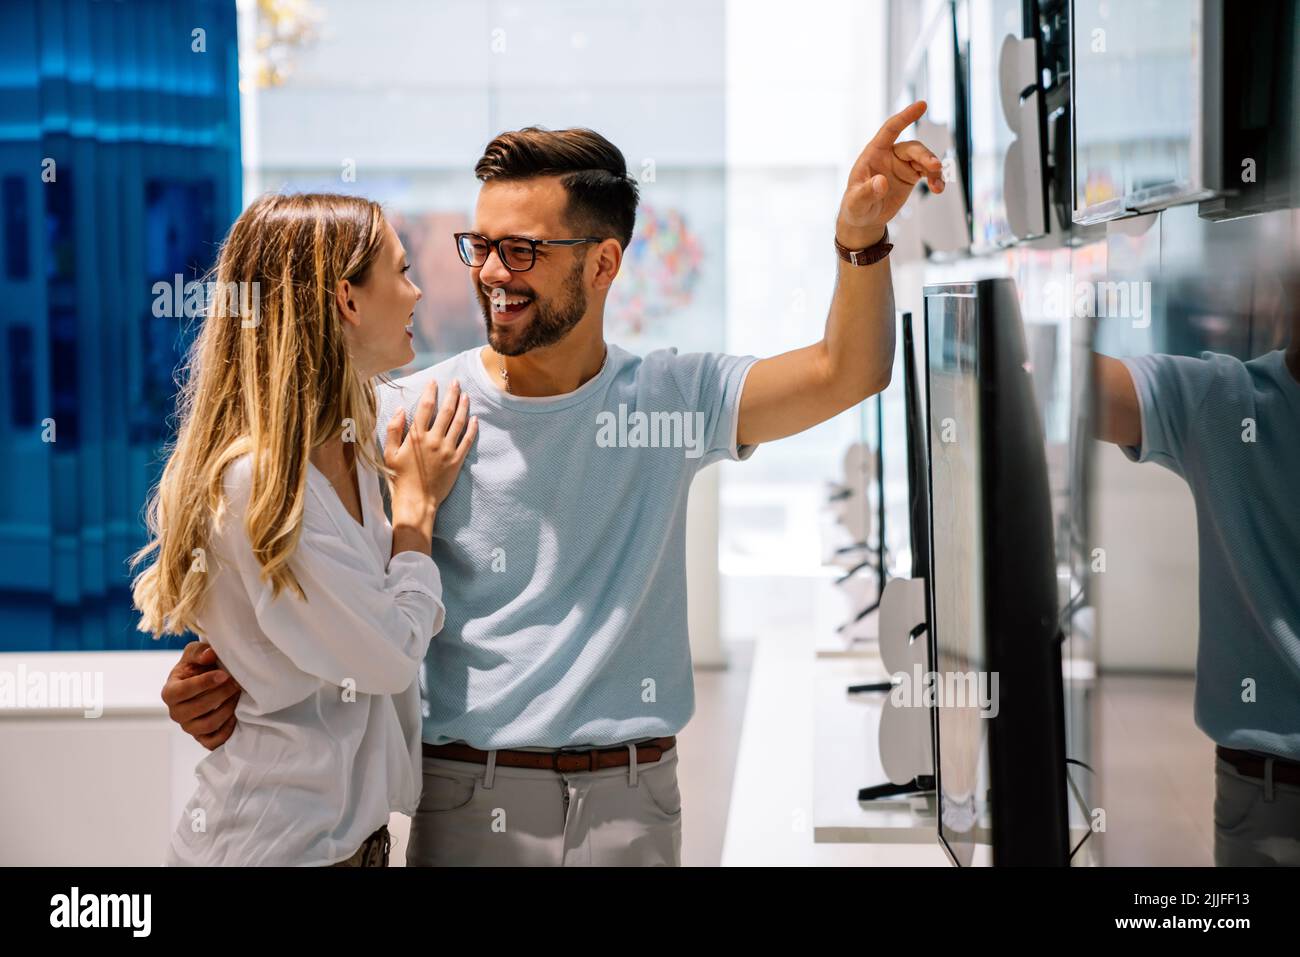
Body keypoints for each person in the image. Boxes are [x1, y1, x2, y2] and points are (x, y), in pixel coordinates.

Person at [161, 102, 944, 866]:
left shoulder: (674, 400)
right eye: (481, 246)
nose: (492, 274)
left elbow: (850, 370)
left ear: (602, 263)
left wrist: (861, 239)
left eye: (523, 251)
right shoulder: (408, 415)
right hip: (466, 801)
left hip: (636, 804)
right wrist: (222, 666)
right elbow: (289, 570)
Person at [132, 193, 477, 865]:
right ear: (347, 298)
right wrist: (416, 515)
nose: (416, 293)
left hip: (352, 846)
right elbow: (389, 652)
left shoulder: (358, 438)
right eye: (402, 271)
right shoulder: (258, 481)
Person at [1093, 305, 1300, 866]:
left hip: (1267, 792)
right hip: (1269, 792)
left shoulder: (1225, 399)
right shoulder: (1225, 398)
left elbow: (1051, 376)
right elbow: (1064, 381)